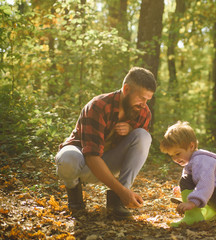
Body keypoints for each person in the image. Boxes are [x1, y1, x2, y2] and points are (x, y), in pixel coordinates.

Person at [55, 67, 156, 219]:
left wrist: (131, 130)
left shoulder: (143, 112)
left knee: (143, 136)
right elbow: (91, 157)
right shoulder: (98, 106)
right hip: (83, 160)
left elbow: (136, 147)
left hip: (108, 161)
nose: (144, 104)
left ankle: (116, 202)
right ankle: (74, 192)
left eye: (148, 99)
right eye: (141, 98)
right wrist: (125, 193)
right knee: (68, 158)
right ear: (126, 89)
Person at [160, 121, 216, 227]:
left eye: (178, 153)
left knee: (186, 179)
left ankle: (193, 216)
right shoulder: (197, 159)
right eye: (172, 156)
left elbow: (206, 183)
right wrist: (183, 191)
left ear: (191, 146)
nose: (175, 158)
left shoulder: (200, 161)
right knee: (187, 180)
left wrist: (192, 202)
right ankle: (210, 214)